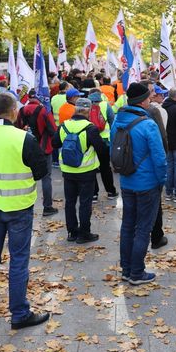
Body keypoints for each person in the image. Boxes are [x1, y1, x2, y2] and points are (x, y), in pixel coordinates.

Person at [0, 92, 50, 329]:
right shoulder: (23, 137)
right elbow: (40, 171)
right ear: (14, 110)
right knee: (18, 259)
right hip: (19, 207)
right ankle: (19, 313)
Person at [111, 83, 167, 285]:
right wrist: (162, 180)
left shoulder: (118, 120)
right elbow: (159, 158)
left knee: (128, 226)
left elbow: (113, 150)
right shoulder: (148, 124)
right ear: (143, 100)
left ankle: (126, 270)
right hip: (147, 184)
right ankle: (137, 273)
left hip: (127, 181)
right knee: (143, 228)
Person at [52, 98, 107, 243]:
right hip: (86, 172)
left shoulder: (63, 126)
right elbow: (101, 149)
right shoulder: (90, 128)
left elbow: (55, 143)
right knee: (85, 203)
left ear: (75, 110)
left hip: (68, 171)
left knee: (70, 202)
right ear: (88, 110)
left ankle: (72, 232)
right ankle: (84, 234)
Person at [17, 90, 58, 217]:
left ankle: (23, 206)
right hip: (43, 148)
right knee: (46, 177)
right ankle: (47, 207)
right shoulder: (44, 111)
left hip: (24, 148)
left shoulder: (22, 110)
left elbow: (17, 127)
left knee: (25, 178)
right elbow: (53, 130)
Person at [145, 82, 169, 249]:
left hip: (130, 172)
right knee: (154, 204)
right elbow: (162, 141)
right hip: (149, 169)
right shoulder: (154, 111)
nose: (154, 95)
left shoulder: (123, 112)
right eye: (152, 91)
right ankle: (156, 237)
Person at [88, 90, 118, 201]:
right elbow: (112, 122)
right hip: (105, 140)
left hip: (90, 140)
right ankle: (111, 191)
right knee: (105, 167)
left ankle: (94, 194)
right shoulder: (106, 105)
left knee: (92, 168)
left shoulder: (86, 105)